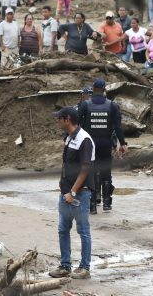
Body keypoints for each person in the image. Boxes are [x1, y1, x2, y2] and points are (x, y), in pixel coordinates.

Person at [48, 106, 94, 280]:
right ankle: (65, 265)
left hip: (79, 194)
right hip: (66, 192)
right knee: (63, 230)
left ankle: (84, 267)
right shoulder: (68, 137)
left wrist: (73, 193)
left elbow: (85, 170)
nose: (57, 121)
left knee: (83, 230)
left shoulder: (84, 140)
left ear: (67, 119)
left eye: (59, 118)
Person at [78, 78, 127, 214]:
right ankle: (106, 203)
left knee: (91, 173)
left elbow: (77, 125)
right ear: (104, 89)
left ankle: (92, 206)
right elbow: (118, 127)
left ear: (93, 89)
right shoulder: (112, 106)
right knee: (106, 173)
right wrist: (123, 143)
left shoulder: (85, 105)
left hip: (90, 144)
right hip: (106, 143)